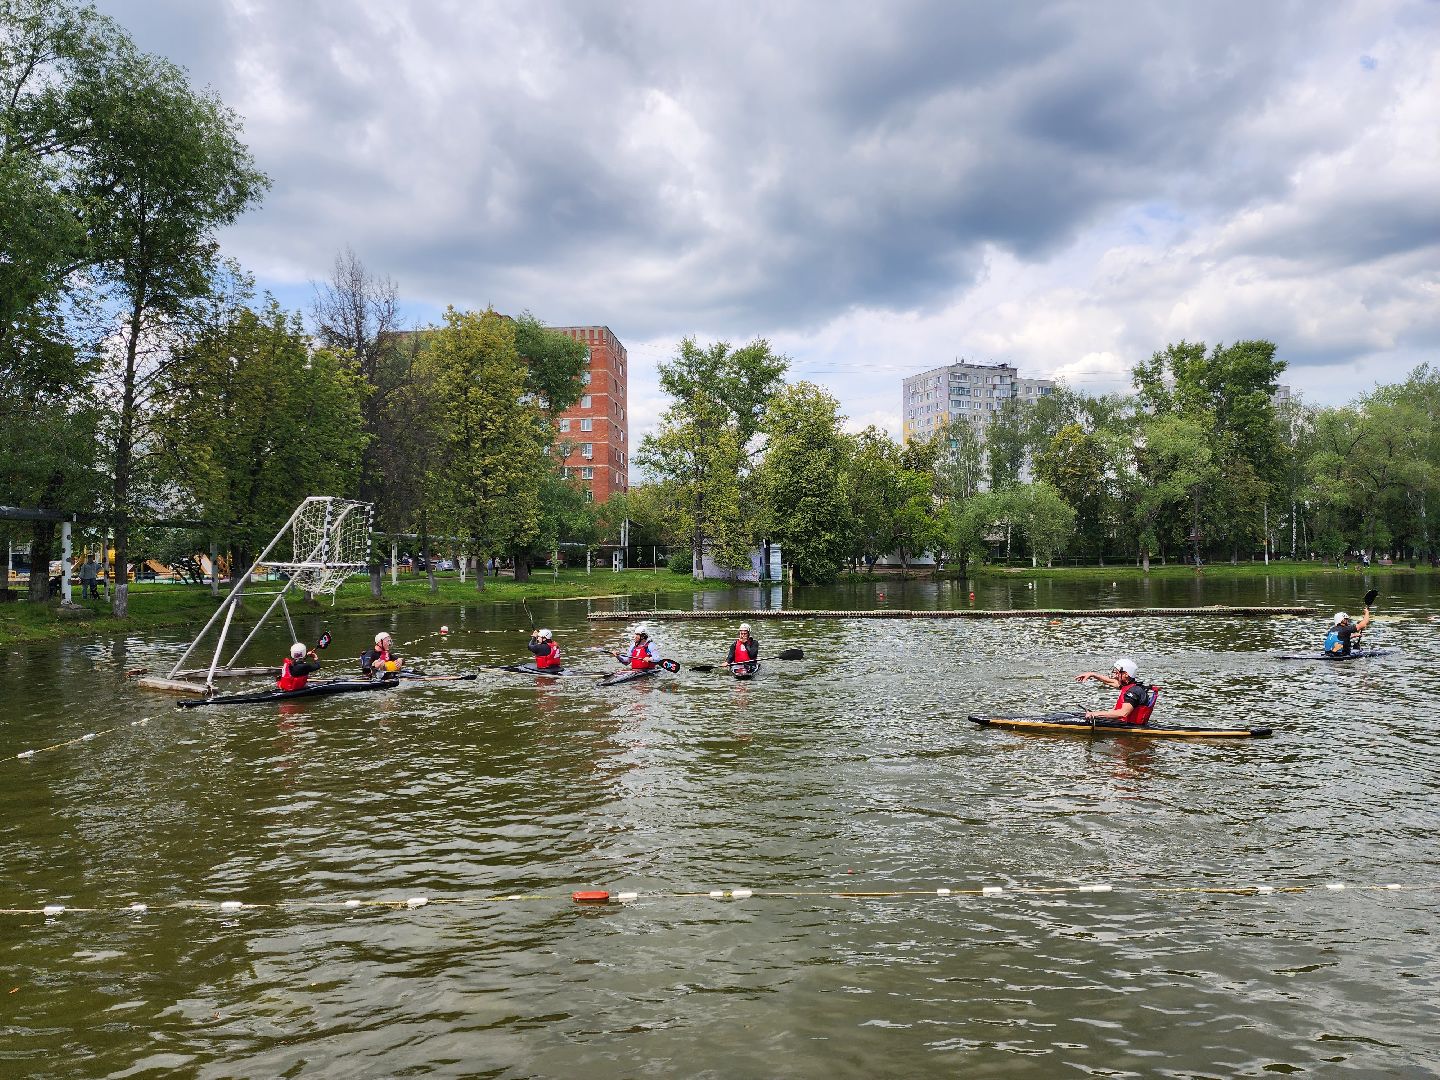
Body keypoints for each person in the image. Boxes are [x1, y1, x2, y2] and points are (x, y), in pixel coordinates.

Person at [1073, 657, 1156, 725]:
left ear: (1126, 674)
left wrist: (1094, 714)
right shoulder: (1129, 685)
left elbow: (1122, 713)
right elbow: (1109, 681)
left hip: (1128, 725)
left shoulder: (1133, 692)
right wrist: (1092, 674)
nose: (1115, 675)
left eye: (1117, 673)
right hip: (1122, 722)